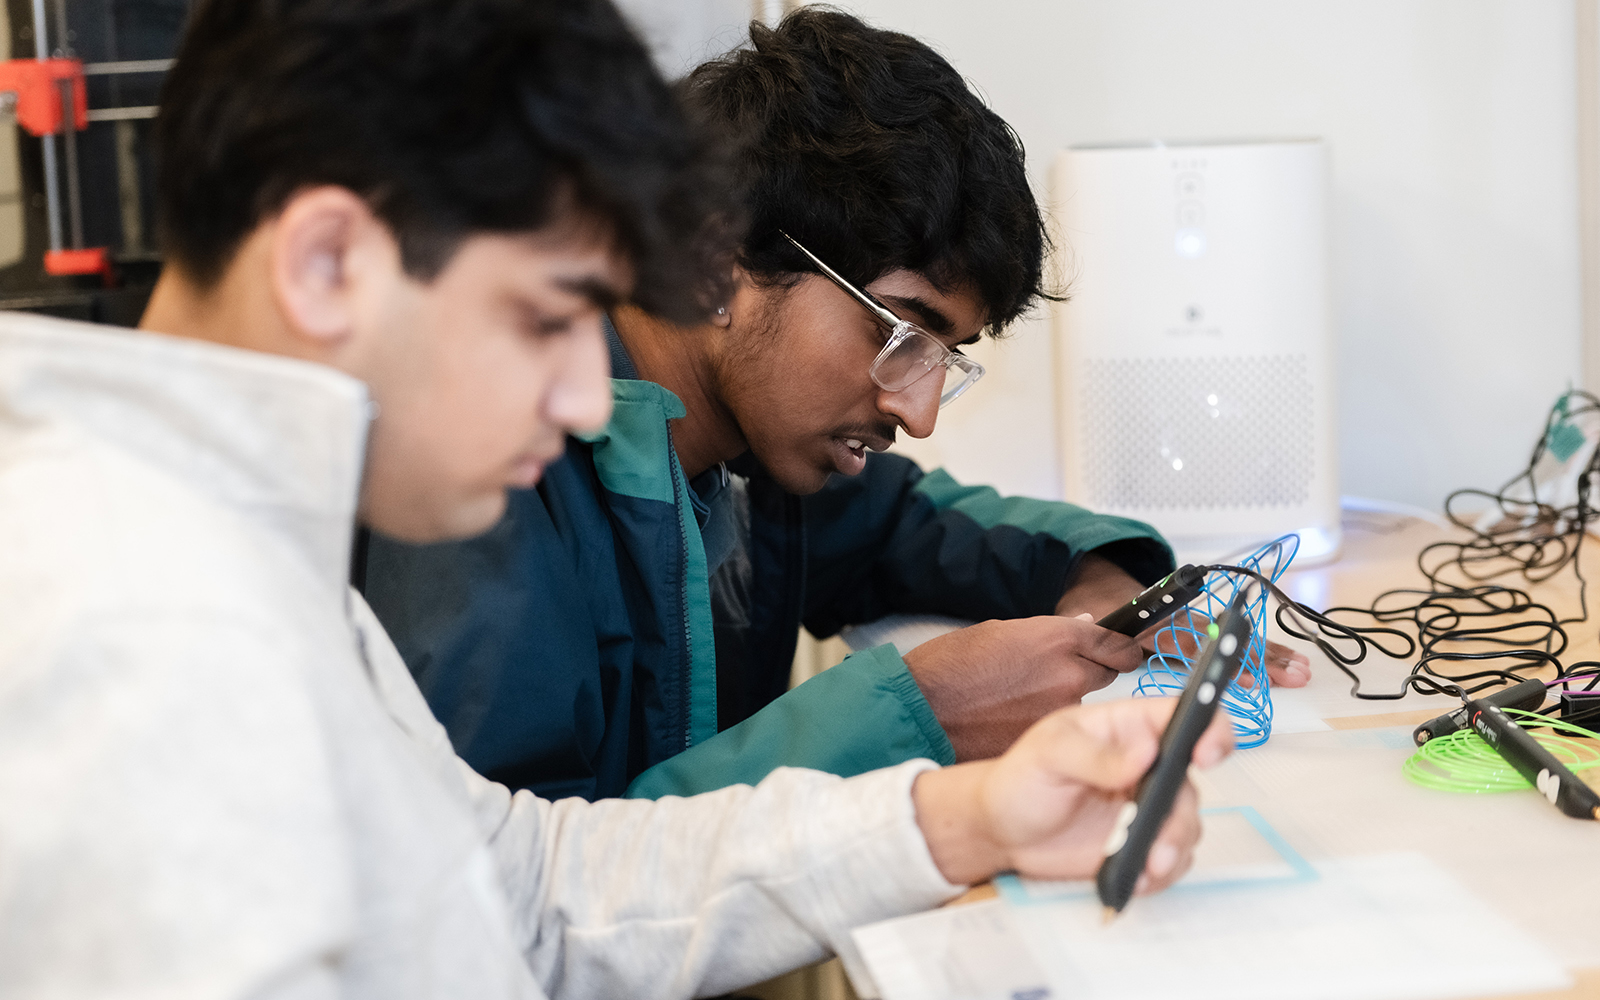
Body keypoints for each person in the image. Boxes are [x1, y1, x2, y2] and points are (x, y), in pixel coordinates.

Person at [0, 0, 1236, 996]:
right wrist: (913, 730)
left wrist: (967, 814)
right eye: (544, 317)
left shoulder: (230, 543)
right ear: (327, 263)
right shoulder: (137, 621)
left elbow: (517, 894)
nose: (588, 398)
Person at [359, 7, 1311, 802]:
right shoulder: (485, 477)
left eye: (946, 358)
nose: (922, 411)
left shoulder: (751, 456)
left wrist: (1111, 585)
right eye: (902, 334)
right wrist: (914, 716)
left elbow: (908, 521)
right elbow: (523, 889)